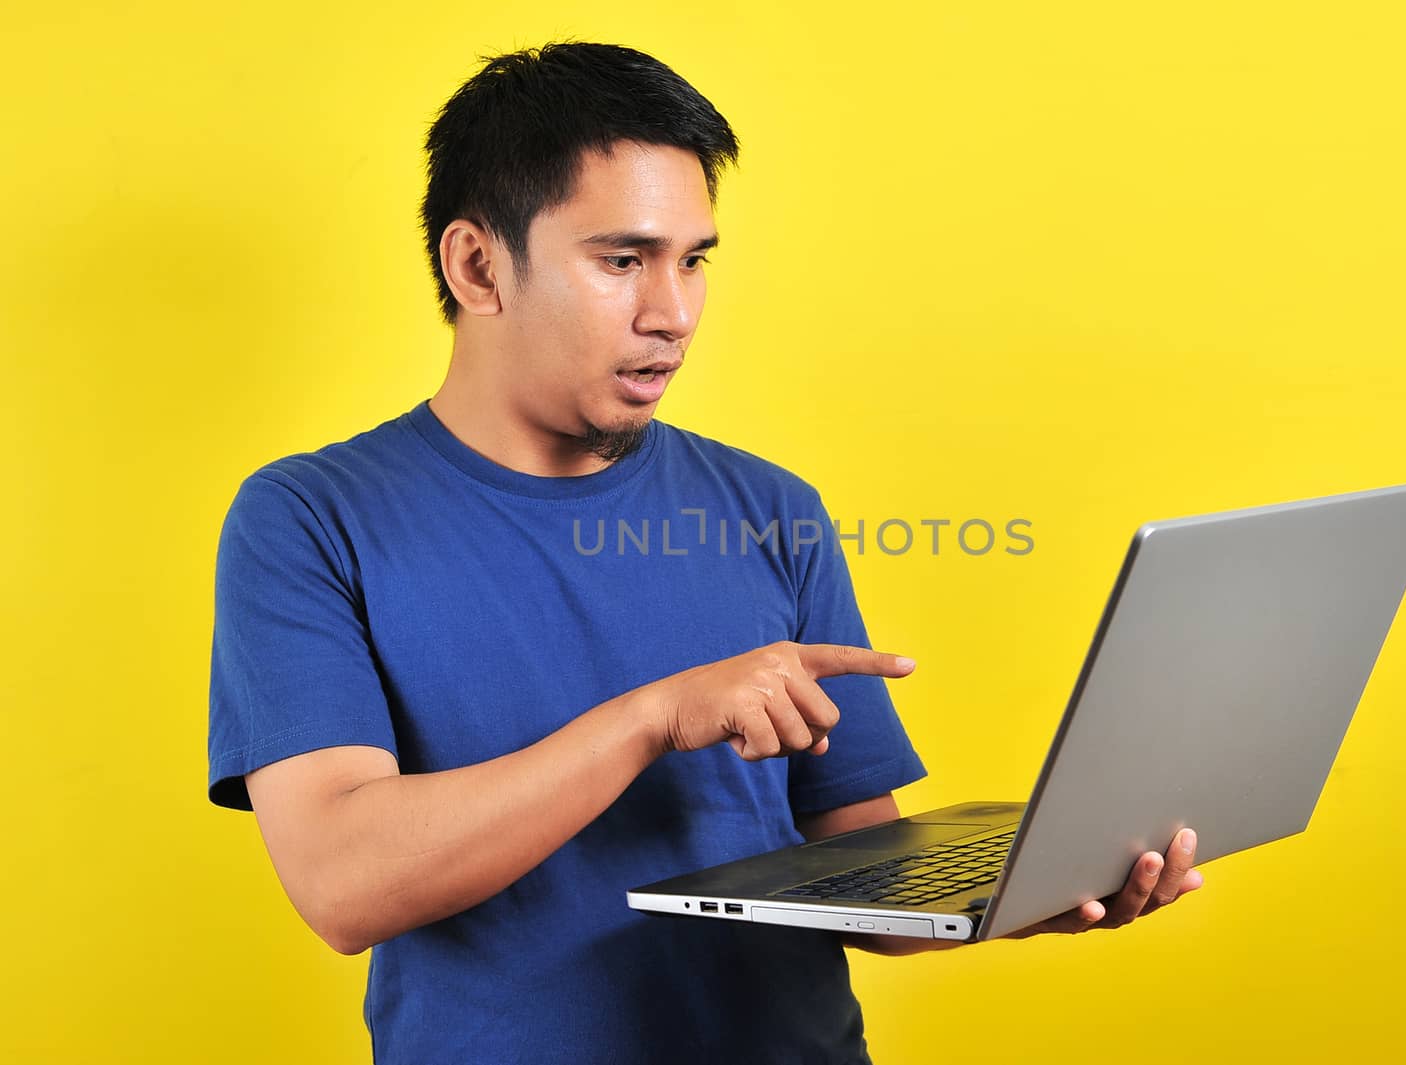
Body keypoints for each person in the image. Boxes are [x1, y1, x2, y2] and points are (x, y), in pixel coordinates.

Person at [206, 41, 1202, 1065]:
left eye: (694, 260)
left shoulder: (770, 507)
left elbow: (857, 877)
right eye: (622, 260)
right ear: (477, 266)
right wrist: (653, 717)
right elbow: (343, 883)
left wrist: (1024, 893)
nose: (672, 314)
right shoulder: (309, 518)